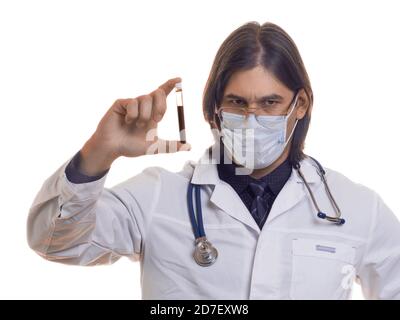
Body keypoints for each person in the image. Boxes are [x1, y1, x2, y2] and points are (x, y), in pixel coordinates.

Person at [27, 21, 400, 300]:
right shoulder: (156, 197)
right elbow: (52, 242)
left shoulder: (357, 209)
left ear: (298, 105)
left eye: (269, 103)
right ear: (215, 107)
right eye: (238, 102)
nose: (252, 118)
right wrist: (100, 150)